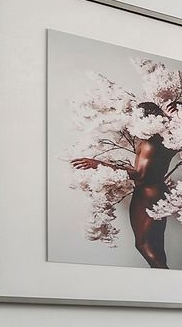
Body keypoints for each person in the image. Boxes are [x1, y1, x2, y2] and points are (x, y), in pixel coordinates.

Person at [71, 102, 175, 268]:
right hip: (155, 192)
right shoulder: (165, 138)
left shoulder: (151, 144)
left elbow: (139, 174)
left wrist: (98, 164)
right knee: (155, 244)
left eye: (135, 117)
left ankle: (166, 279)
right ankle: (165, 282)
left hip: (148, 195)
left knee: (143, 244)